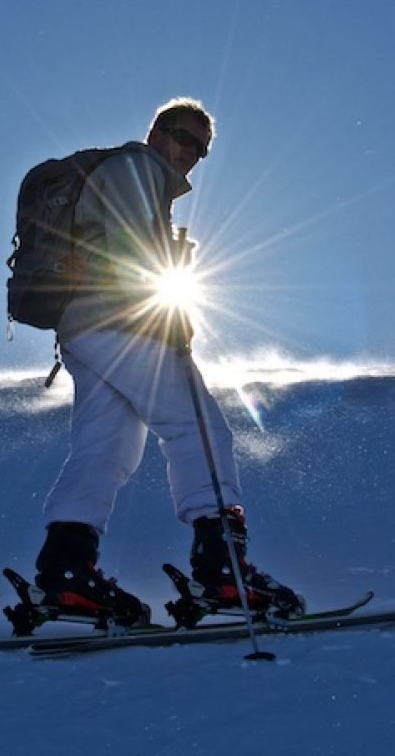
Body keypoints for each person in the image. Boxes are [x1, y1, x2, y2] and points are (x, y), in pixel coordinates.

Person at [32, 97, 303, 624]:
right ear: (157, 131)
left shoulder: (125, 173)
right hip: (123, 320)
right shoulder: (136, 169)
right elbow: (135, 248)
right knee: (197, 428)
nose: (189, 154)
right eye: (183, 137)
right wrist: (165, 309)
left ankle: (66, 569)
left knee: (106, 445)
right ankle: (222, 568)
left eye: (200, 149)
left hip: (82, 325)